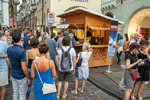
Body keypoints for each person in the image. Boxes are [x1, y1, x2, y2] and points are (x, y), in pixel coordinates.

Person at [7, 30, 31, 100]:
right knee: (22, 93)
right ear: (21, 38)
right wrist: (28, 78)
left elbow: (10, 63)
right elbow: (24, 67)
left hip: (13, 73)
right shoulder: (22, 51)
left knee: (15, 92)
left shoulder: (9, 49)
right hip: (21, 75)